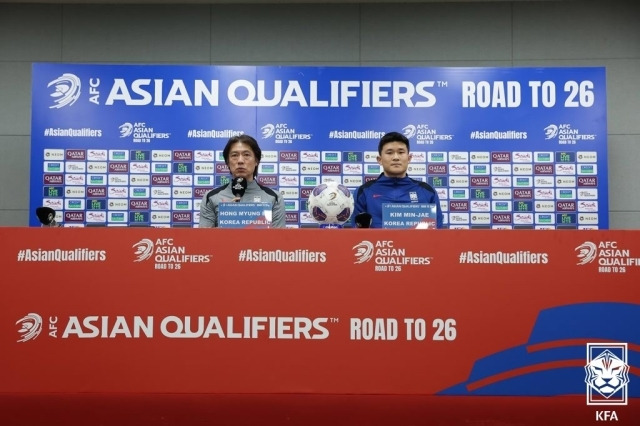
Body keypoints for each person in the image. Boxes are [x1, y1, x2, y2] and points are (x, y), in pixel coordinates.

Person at [352, 131, 444, 229]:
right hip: (378, 244)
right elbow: (356, 235)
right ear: (380, 159)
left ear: (409, 158)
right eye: (389, 153)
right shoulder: (364, 192)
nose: (396, 157)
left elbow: (437, 234)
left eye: (401, 152)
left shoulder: (427, 192)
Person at [199, 134, 285, 228]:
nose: (240, 161)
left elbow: (279, 240)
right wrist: (227, 220)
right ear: (227, 162)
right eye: (234, 155)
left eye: (246, 155)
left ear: (256, 161)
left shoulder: (274, 198)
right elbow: (204, 240)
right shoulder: (211, 197)